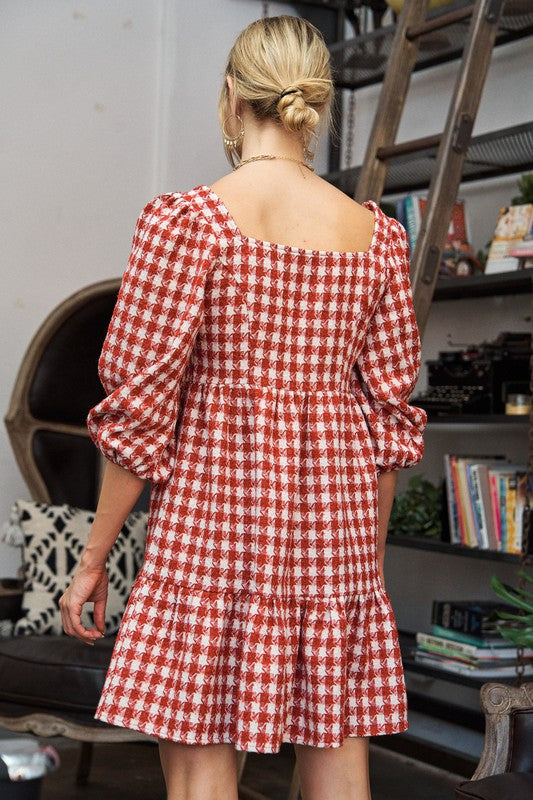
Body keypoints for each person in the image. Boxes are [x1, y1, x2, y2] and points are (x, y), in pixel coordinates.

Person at [60, 13, 427, 800]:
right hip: (333, 530)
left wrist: (93, 561)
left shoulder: (188, 223)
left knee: (200, 767)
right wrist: (362, 572)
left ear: (231, 95)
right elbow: (389, 427)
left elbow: (138, 414)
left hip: (210, 524)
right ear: (316, 104)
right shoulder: (377, 238)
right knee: (336, 759)